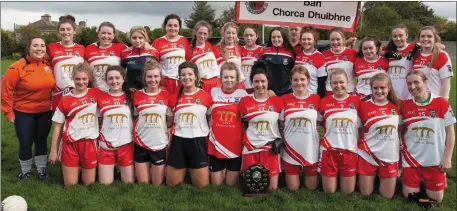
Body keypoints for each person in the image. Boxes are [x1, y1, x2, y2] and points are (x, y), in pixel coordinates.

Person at [1, 36, 55, 181]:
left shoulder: (49, 65)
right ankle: (25, 171)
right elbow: (5, 91)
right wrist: (8, 112)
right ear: (28, 48)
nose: (39, 49)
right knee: (25, 142)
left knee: (41, 140)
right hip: (23, 112)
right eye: (35, 45)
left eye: (42, 46)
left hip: (45, 111)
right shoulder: (17, 67)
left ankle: (41, 170)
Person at [401, 70, 455, 203]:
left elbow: (450, 132)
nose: (412, 87)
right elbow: (400, 130)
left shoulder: (441, 103)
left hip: (434, 160)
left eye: (416, 82)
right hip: (411, 160)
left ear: (425, 83)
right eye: (409, 84)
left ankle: (437, 179)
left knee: (437, 200)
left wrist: (447, 158)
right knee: (409, 197)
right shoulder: (404, 105)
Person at [48, 62, 99, 188]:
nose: (81, 82)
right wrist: (53, 151)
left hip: (89, 143)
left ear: (89, 79)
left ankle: (81, 168)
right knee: (71, 186)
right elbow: (57, 127)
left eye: (84, 79)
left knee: (89, 185)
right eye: (77, 79)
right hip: (70, 144)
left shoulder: (96, 94)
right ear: (73, 78)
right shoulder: (65, 99)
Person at [239, 60, 285, 191]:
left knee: (272, 189)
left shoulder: (277, 101)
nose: (260, 85)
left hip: (270, 148)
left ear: (268, 82)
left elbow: (282, 124)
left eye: (263, 81)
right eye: (256, 82)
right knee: (251, 188)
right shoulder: (244, 101)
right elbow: (241, 122)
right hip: (251, 146)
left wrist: (280, 140)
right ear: (252, 83)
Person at [166, 62, 211, 188]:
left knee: (202, 186)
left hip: (198, 140)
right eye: (183, 75)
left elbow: (210, 119)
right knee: (172, 185)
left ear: (196, 76)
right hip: (178, 140)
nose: (186, 77)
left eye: (190, 74)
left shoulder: (206, 96)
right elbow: (169, 123)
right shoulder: (173, 97)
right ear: (179, 77)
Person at [357, 73, 400, 199]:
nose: (379, 91)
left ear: (389, 88)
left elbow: (401, 129)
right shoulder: (363, 105)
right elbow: (359, 129)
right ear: (371, 89)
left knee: (387, 196)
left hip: (389, 155)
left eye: (382, 88)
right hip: (367, 154)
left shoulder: (398, 105)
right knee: (365, 193)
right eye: (375, 88)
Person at [318, 68, 361, 194]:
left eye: (341, 82)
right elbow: (320, 122)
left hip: (350, 151)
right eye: (335, 83)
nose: (338, 86)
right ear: (330, 85)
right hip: (329, 150)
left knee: (347, 191)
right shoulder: (324, 102)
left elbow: (362, 125)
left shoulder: (357, 101)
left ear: (348, 82)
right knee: (329, 191)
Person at [280, 66, 322, 190]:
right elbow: (282, 124)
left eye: (302, 79)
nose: (299, 83)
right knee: (293, 188)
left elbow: (320, 121)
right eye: (295, 80)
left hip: (310, 148)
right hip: (290, 149)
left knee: (311, 188)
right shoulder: (284, 99)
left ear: (308, 81)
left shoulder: (316, 99)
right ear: (291, 81)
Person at [132, 59, 173, 185]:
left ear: (161, 77)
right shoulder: (137, 95)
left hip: (159, 142)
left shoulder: (167, 95)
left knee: (157, 184)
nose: (153, 79)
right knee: (143, 183)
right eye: (149, 76)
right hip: (140, 141)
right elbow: (136, 116)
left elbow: (169, 121)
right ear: (144, 77)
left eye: (156, 76)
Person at [207, 62, 248, 185]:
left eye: (232, 77)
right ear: (220, 79)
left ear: (237, 80)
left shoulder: (243, 95)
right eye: (226, 77)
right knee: (217, 184)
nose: (229, 80)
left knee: (230, 184)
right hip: (215, 142)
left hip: (234, 143)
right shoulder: (213, 92)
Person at [96, 66, 134, 184]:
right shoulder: (100, 98)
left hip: (126, 144)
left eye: (117, 78)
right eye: (110, 78)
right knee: (105, 184)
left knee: (128, 183)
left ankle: (120, 167)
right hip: (106, 145)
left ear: (123, 79)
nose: (114, 81)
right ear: (106, 81)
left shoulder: (132, 96)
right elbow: (99, 122)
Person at [47, 15, 85, 110]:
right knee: (59, 124)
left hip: (78, 92)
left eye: (68, 29)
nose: (66, 32)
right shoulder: (51, 48)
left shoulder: (82, 49)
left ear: (74, 31)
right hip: (58, 94)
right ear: (59, 32)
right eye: (62, 29)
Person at [152, 14, 191, 94]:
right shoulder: (157, 42)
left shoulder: (184, 40)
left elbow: (188, 61)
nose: (173, 28)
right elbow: (153, 65)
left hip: (182, 80)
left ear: (179, 27)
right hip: (165, 81)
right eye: (170, 25)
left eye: (175, 26)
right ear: (165, 27)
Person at [412, 26, 453, 99]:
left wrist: (443, 101)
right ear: (419, 39)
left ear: (435, 39)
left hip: (434, 101)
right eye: (423, 36)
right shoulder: (415, 55)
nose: (426, 39)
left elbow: (446, 84)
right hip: (417, 101)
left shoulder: (441, 55)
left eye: (429, 36)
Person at [85, 22, 127, 92]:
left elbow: (136, 49)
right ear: (98, 34)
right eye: (103, 33)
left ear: (113, 36)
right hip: (96, 92)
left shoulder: (121, 47)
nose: (106, 36)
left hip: (116, 92)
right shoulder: (89, 48)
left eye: (109, 33)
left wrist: (146, 45)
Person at [382, 24, 417, 100]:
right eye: (395, 36)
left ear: (406, 36)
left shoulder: (414, 48)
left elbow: (432, 46)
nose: (398, 38)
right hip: (392, 95)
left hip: (409, 94)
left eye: (401, 35)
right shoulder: (388, 50)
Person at [121, 26, 159, 92]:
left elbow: (158, 71)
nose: (137, 41)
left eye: (140, 38)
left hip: (149, 90)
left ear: (145, 38)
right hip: (131, 90)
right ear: (130, 38)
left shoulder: (153, 52)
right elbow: (121, 72)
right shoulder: (125, 53)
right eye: (134, 38)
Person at [322, 27, 357, 96]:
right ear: (329, 41)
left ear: (343, 40)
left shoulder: (352, 53)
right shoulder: (324, 54)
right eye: (332, 40)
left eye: (338, 39)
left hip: (348, 91)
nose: (335, 42)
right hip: (330, 92)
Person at [261, 27, 295, 96]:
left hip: (286, 92)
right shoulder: (264, 52)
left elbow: (293, 72)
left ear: (283, 37)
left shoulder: (290, 53)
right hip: (269, 92)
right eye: (273, 37)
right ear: (270, 38)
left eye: (279, 37)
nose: (276, 39)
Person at [294, 26, 327, 98]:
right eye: (303, 39)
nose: (306, 42)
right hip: (297, 96)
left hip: (312, 96)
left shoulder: (320, 57)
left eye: (309, 39)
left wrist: (319, 99)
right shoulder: (298, 55)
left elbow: (321, 83)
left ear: (314, 41)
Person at [190, 21, 220, 93]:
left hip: (216, 83)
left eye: (205, 34)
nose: (202, 36)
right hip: (201, 84)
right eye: (200, 33)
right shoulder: (190, 50)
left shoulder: (210, 46)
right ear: (195, 32)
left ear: (208, 35)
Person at [213, 22, 245, 89]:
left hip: (238, 84)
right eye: (228, 33)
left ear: (236, 35)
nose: (230, 35)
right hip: (221, 85)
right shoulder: (215, 49)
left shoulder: (241, 49)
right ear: (223, 34)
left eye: (233, 33)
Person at [289, 26, 356, 53]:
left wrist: (346, 42)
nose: (293, 31)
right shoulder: (286, 45)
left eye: (296, 29)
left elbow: (329, 46)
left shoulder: (315, 49)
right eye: (291, 29)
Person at [241, 26, 263, 93]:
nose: (249, 38)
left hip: (256, 86)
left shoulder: (262, 50)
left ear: (256, 36)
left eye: (251, 35)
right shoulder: (239, 49)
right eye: (246, 35)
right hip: (242, 86)